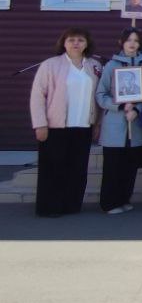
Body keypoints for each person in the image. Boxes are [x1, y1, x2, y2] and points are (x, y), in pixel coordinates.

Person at [30, 28, 102, 217]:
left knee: (77, 168)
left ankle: (71, 205)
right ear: (64, 43)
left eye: (80, 40)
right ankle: (50, 207)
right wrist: (40, 123)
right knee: (53, 168)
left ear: (87, 44)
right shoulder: (50, 65)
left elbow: (98, 96)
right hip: (56, 127)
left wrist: (97, 123)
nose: (76, 43)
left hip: (83, 126)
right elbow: (37, 95)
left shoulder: (94, 66)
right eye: (71, 40)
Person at [95, 29, 142, 214]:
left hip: (136, 124)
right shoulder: (111, 65)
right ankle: (109, 202)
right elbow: (101, 94)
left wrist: (137, 109)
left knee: (130, 166)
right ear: (121, 42)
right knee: (113, 166)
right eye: (129, 40)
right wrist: (120, 106)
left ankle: (124, 198)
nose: (132, 44)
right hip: (115, 124)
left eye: (136, 41)